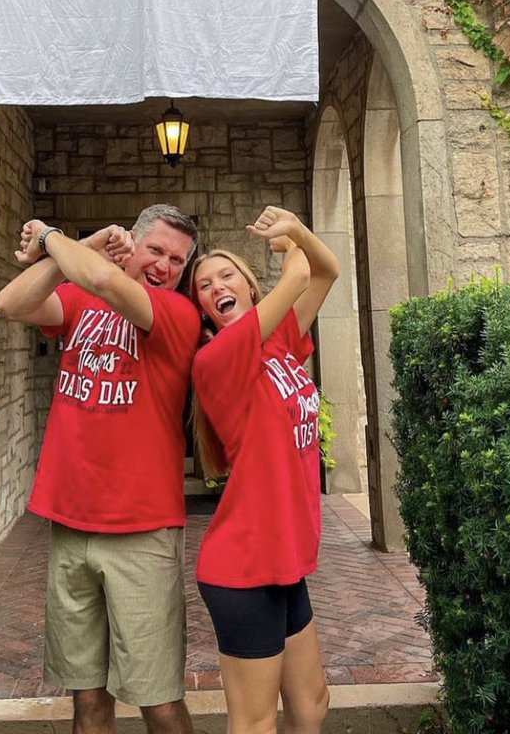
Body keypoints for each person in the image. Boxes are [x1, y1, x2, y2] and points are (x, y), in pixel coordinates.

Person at [0, 204, 200, 734]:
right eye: (156, 250)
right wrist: (76, 249)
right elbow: (11, 302)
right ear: (132, 242)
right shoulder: (82, 299)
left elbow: (109, 280)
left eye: (178, 260)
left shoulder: (176, 315)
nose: (165, 266)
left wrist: (49, 236)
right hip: (69, 521)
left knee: (159, 701)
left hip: (142, 529)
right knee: (86, 698)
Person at [189, 206, 341, 734]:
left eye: (226, 275)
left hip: (284, 561)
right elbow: (299, 273)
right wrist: (290, 238)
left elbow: (325, 271)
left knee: (312, 702)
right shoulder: (217, 358)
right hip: (244, 568)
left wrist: (296, 234)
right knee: (254, 722)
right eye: (204, 286)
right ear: (205, 309)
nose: (214, 287)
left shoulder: (278, 343)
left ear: (251, 288)